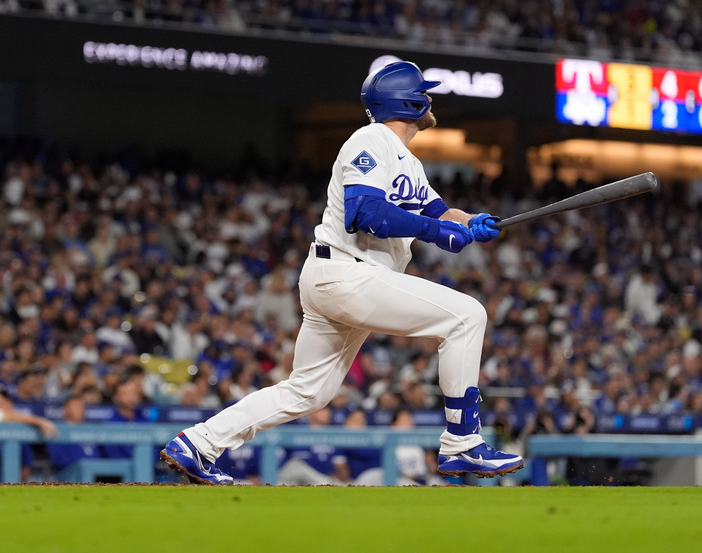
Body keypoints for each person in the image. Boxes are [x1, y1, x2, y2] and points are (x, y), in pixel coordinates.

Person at [160, 61, 523, 483]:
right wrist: (436, 231)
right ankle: (462, 443)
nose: (430, 98)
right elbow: (365, 212)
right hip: (349, 274)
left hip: (343, 277)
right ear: (407, 102)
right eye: (424, 92)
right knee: (467, 315)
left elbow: (439, 213)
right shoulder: (370, 139)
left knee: (308, 391)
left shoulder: (405, 159)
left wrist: (470, 222)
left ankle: (200, 442)